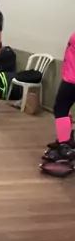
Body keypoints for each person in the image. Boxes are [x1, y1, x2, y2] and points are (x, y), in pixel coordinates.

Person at [41, 31, 75, 175]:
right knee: (64, 109)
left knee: (60, 109)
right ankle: (65, 140)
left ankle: (64, 146)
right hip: (70, 77)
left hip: (71, 80)